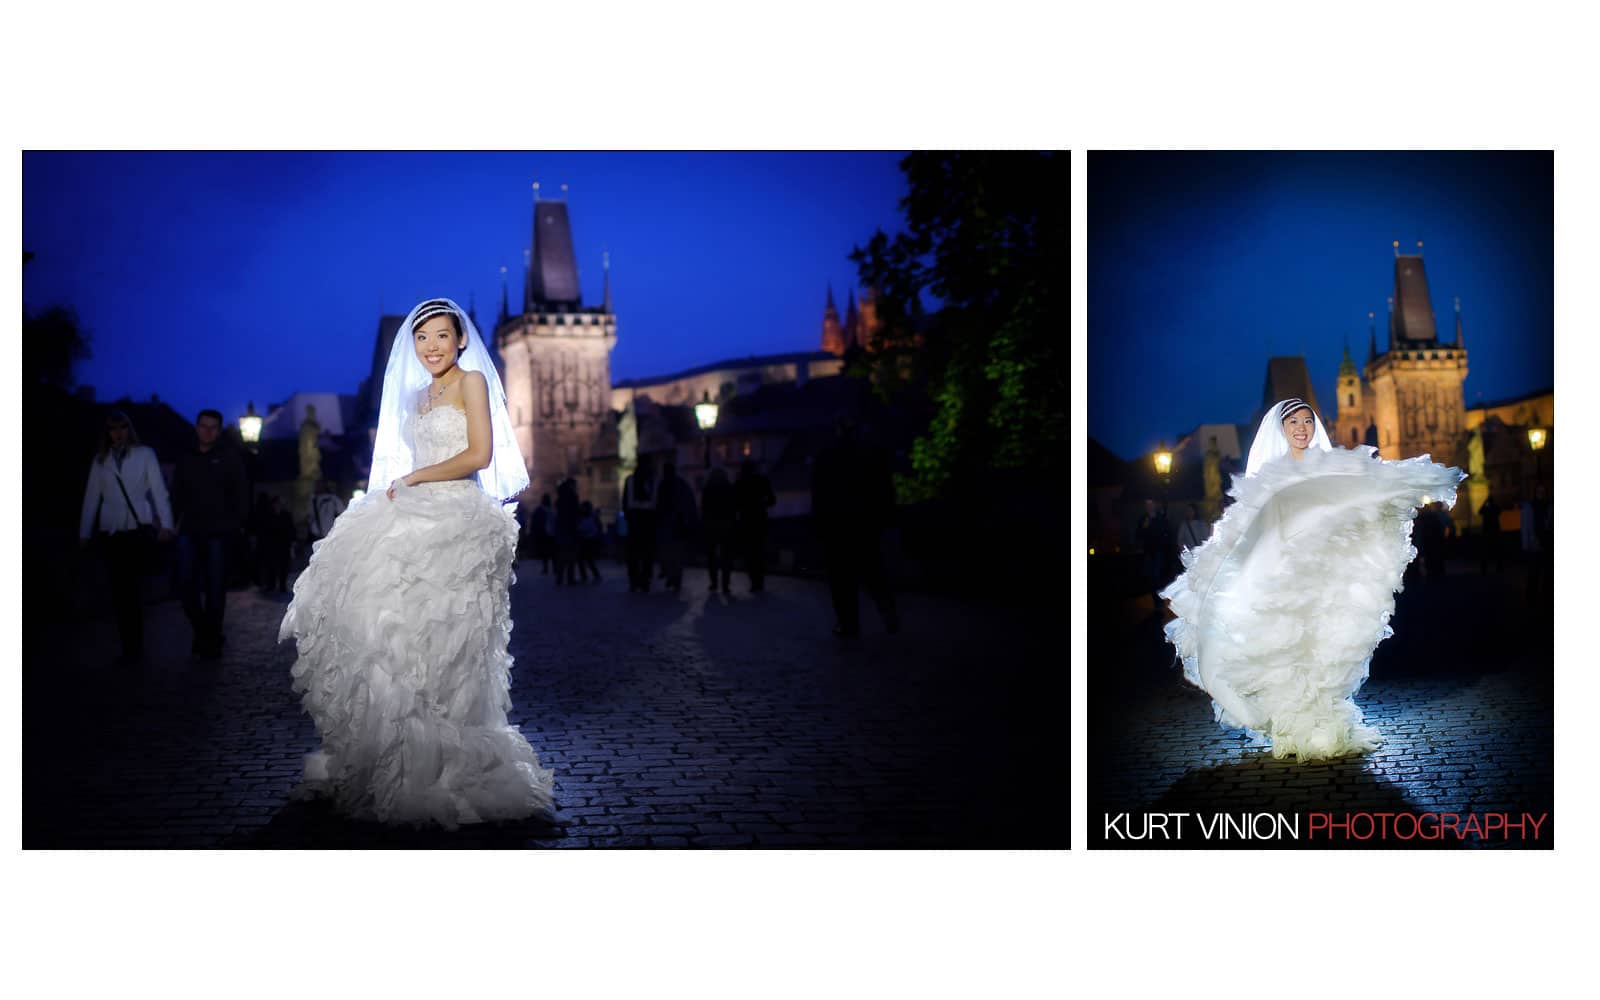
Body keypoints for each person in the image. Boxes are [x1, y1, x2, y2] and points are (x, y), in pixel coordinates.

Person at [278, 297, 554, 828]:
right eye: (422, 338)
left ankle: (448, 762)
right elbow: (413, 462)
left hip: (457, 516)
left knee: (451, 641)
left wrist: (412, 480)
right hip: (417, 506)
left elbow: (479, 456)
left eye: (441, 336)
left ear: (461, 340)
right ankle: (396, 750)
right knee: (391, 628)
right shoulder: (417, 396)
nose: (431, 347)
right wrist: (398, 487)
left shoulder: (471, 382)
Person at [1160, 398, 1463, 762]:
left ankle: (1320, 721)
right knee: (1286, 650)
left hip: (1324, 578)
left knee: (1322, 649)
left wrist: (1411, 482)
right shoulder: (1271, 475)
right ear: (1281, 430)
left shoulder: (1330, 467)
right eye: (1293, 423)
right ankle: (1296, 724)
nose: (1302, 428)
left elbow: (1364, 491)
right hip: (1281, 579)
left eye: (1307, 420)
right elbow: (1252, 527)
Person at [77, 409, 174, 664]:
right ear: (107, 433)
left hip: (136, 528)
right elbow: (91, 498)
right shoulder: (101, 461)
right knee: (119, 591)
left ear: (128, 429)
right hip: (111, 530)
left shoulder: (144, 454)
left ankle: (136, 646)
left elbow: (158, 490)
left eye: (122, 428)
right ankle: (128, 647)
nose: (118, 434)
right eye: (113, 429)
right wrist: (84, 532)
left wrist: (166, 524)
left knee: (132, 589)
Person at [171, 408, 249, 659]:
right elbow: (176, 493)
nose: (208, 431)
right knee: (185, 585)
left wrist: (237, 522)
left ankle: (210, 638)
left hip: (219, 531)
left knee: (215, 588)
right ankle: (204, 630)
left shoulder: (229, 457)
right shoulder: (186, 457)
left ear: (218, 429)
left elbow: (241, 491)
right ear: (197, 428)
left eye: (213, 427)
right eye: (204, 426)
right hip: (189, 529)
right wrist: (170, 522)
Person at [811, 415, 899, 638]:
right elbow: (885, 492)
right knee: (874, 573)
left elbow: (819, 496)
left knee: (842, 580)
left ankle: (849, 623)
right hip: (866, 525)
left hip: (837, 527)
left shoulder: (826, 457)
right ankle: (888, 614)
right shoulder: (872, 456)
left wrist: (819, 526)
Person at [734, 459, 776, 592]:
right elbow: (772, 500)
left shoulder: (740, 483)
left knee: (750, 553)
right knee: (759, 551)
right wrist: (762, 503)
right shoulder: (762, 481)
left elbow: (735, 503)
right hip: (759, 521)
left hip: (746, 522)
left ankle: (754, 580)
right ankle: (759, 580)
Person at [655, 462, 698, 592]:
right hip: (677, 525)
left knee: (668, 553)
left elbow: (658, 506)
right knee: (676, 554)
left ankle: (671, 575)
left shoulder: (663, 486)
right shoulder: (680, 485)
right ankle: (675, 578)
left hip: (669, 524)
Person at [622, 457, 658, 593]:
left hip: (635, 518)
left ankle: (634, 579)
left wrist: (628, 515)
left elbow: (625, 501)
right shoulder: (652, 481)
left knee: (634, 552)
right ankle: (644, 580)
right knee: (647, 552)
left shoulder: (630, 480)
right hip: (648, 519)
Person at [701, 466, 737, 594]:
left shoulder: (708, 490)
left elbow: (704, 509)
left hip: (711, 526)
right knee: (726, 556)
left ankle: (714, 583)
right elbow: (733, 508)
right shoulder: (729, 489)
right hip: (726, 526)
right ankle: (725, 584)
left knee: (712, 556)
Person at [1137, 499, 1172, 610]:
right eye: (1147, 504)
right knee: (1150, 578)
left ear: (1154, 505)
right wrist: (1144, 527)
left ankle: (1159, 601)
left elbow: (1165, 531)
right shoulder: (1143, 518)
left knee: (1157, 577)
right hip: (1148, 552)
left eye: (1151, 504)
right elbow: (1138, 534)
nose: (1149, 507)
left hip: (1158, 551)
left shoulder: (1160, 517)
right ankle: (1155, 600)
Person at [261, 494, 295, 594]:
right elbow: (265, 530)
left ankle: (282, 585)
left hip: (284, 544)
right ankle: (271, 584)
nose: (278, 505)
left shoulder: (286, 515)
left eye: (280, 503)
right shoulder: (268, 515)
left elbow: (291, 528)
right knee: (271, 565)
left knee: (283, 565)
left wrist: (292, 541)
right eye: (277, 503)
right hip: (272, 544)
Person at [552, 478, 581, 586]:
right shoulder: (573, 497)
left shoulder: (559, 499)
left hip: (561, 528)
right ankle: (570, 578)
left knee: (562, 555)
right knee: (571, 555)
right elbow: (576, 514)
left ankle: (559, 578)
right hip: (571, 528)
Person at [306, 479, 346, 548]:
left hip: (332, 535)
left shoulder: (333, 499)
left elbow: (342, 513)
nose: (318, 487)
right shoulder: (313, 500)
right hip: (318, 536)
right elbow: (311, 516)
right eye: (317, 485)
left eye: (320, 485)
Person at [577, 501, 603, 583]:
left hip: (589, 540)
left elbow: (597, 528)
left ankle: (595, 575)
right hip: (585, 540)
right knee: (583, 559)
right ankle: (586, 576)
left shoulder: (592, 517)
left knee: (588, 559)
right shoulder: (583, 517)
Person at [1478, 494, 1504, 575]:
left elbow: (1480, 512)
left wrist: (1484, 503)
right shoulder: (1495, 508)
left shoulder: (1486, 508)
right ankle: (1498, 567)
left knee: (1485, 552)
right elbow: (1500, 511)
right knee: (1497, 551)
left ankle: (1484, 569)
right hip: (1495, 532)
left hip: (1487, 532)